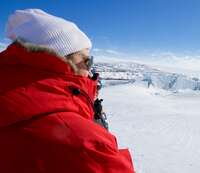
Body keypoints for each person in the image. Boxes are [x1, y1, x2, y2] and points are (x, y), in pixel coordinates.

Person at [0, 9, 134, 173]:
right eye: (87, 60)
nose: (90, 71)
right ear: (62, 60)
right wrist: (95, 132)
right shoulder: (86, 144)